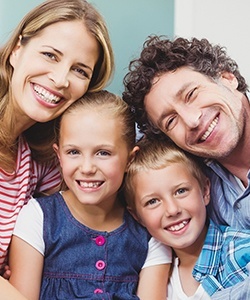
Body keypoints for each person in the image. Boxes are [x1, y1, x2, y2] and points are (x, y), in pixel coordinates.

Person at [8, 91, 171, 300]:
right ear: (58, 155)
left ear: (131, 158)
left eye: (103, 153)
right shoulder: (37, 218)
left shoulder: (149, 232)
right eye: (73, 152)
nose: (86, 168)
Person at [0, 0, 114, 276]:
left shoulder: (41, 161)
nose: (61, 79)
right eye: (50, 55)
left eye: (80, 70)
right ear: (17, 51)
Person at [122, 35, 250, 230]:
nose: (191, 120)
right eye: (171, 121)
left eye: (191, 94)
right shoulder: (197, 184)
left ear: (227, 78)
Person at [125, 138, 250, 300]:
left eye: (181, 191)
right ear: (137, 216)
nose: (172, 210)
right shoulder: (152, 275)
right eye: (153, 201)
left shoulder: (239, 252)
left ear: (205, 191)